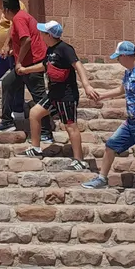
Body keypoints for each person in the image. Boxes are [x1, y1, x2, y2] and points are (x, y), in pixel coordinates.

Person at [82, 41, 135, 207]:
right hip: (131, 121)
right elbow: (122, 90)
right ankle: (102, 178)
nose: (118, 60)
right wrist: (102, 96)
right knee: (111, 145)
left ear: (125, 56)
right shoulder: (128, 72)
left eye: (118, 57)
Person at [18, 21, 99, 171]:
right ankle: (36, 148)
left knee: (70, 126)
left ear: (49, 35)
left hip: (66, 96)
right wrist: (25, 70)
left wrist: (87, 85)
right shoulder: (50, 50)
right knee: (34, 113)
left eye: (43, 33)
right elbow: (45, 66)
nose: (40, 35)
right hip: (53, 95)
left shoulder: (65, 49)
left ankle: (79, 161)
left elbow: (78, 65)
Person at [0, 0, 49, 137]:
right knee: (8, 83)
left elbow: (27, 40)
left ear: (7, 10)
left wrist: (19, 62)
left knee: (39, 96)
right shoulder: (19, 17)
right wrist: (9, 47)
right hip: (25, 64)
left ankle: (46, 131)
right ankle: (7, 121)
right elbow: (15, 35)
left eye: (3, 10)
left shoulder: (19, 19)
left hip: (32, 63)